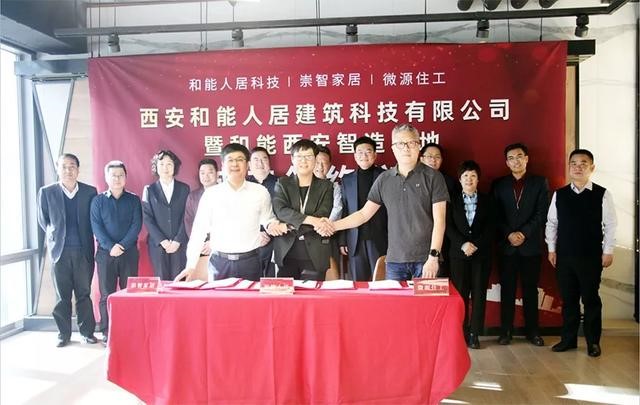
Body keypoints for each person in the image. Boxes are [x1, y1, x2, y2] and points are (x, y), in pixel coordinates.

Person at [328, 123, 449, 281]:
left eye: (411, 143)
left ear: (419, 146)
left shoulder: (434, 177)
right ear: (393, 148)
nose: (406, 148)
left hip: (425, 260)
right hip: (394, 261)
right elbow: (363, 215)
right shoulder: (384, 179)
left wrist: (433, 256)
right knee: (393, 298)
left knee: (424, 299)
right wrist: (332, 226)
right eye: (400, 144)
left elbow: (440, 221)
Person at [176, 143, 286, 282]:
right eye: (230, 160)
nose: (235, 164)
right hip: (219, 263)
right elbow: (198, 232)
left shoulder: (260, 192)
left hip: (250, 262)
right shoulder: (211, 194)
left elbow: (268, 218)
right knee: (219, 297)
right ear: (223, 165)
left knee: (251, 297)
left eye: (240, 159)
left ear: (247, 165)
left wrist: (273, 225)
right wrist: (191, 266)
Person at [546, 149, 617, 358]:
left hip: (591, 256)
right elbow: (551, 224)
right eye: (574, 163)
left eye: (583, 163)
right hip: (564, 256)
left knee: (590, 299)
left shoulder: (602, 194)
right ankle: (568, 340)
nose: (578, 167)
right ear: (569, 167)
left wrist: (608, 251)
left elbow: (611, 225)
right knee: (568, 300)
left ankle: (593, 342)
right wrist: (551, 249)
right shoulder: (560, 194)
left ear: (591, 168)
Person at [37, 153, 98, 347]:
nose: (68, 170)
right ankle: (63, 334)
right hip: (60, 252)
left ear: (78, 169)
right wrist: (56, 237)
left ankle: (87, 333)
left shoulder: (90, 192)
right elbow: (44, 221)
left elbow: (93, 219)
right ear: (57, 169)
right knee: (62, 296)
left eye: (72, 166)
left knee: (83, 294)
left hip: (83, 251)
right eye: (63, 166)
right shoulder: (47, 192)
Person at [491, 143, 548, 347]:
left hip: (530, 246)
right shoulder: (499, 184)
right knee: (507, 290)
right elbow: (495, 215)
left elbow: (542, 213)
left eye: (519, 156)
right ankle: (505, 331)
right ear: (507, 162)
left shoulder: (539, 182)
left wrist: (524, 233)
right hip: (507, 246)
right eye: (511, 158)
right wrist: (509, 234)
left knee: (530, 290)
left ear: (526, 158)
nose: (516, 161)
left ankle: (533, 332)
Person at [90, 160, 142, 343]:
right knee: (107, 294)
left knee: (129, 293)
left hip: (129, 253)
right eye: (113, 175)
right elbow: (96, 227)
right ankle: (106, 331)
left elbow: (136, 225)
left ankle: (129, 329)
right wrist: (111, 246)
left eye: (121, 175)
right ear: (106, 177)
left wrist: (122, 246)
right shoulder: (98, 201)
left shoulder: (134, 200)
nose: (117, 179)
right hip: (106, 254)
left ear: (126, 177)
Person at [446, 160, 494, 349]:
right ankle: (461, 332)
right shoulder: (451, 200)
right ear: (459, 179)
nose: (469, 179)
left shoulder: (488, 201)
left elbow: (491, 228)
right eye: (465, 175)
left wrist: (476, 245)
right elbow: (448, 226)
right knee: (460, 295)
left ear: (478, 179)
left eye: (473, 175)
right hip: (458, 255)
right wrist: (463, 244)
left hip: (481, 255)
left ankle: (474, 333)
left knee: (479, 294)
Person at [272, 140, 334, 281]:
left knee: (313, 293)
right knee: (285, 293)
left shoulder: (326, 186)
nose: (304, 161)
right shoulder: (282, 183)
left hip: (315, 253)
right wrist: (311, 220)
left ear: (315, 159)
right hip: (286, 252)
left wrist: (288, 226)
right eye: (299, 156)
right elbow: (281, 210)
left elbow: (322, 215)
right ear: (292, 159)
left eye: (308, 156)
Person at [338, 136, 388, 281]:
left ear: (375, 155)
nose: (364, 156)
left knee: (381, 282)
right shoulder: (347, 180)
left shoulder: (385, 176)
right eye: (360, 152)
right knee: (358, 283)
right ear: (355, 155)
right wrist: (343, 240)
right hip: (355, 240)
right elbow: (344, 210)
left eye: (368, 152)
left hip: (380, 238)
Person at [142, 150, 190, 280]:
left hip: (179, 244)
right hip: (158, 245)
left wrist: (177, 240)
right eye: (161, 164)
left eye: (169, 164)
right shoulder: (149, 190)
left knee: (179, 282)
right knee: (161, 282)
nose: (165, 168)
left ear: (175, 166)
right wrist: (162, 241)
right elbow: (147, 217)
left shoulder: (184, 188)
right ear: (156, 167)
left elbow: (187, 216)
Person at [420, 142, 457, 277]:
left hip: (444, 237)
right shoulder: (412, 179)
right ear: (421, 158)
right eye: (429, 156)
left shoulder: (449, 182)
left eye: (437, 157)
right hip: (418, 237)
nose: (433, 160)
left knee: (440, 277)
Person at [184, 158, 218, 280]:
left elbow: (228, 223)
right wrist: (201, 244)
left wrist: (213, 242)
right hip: (200, 250)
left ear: (217, 173)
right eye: (202, 173)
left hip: (221, 250)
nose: (206, 176)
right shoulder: (193, 196)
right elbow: (189, 222)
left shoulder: (225, 194)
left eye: (210, 172)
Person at [313, 145, 344, 279]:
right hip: (307, 239)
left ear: (330, 165)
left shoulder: (335, 186)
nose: (320, 166)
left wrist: (325, 228)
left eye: (324, 162)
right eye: (317, 162)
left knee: (331, 279)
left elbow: (338, 208)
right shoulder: (301, 185)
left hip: (329, 237)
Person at [247, 147, 277, 277]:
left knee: (272, 282)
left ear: (269, 163)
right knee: (250, 283)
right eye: (256, 160)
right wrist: (256, 233)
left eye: (264, 159)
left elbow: (284, 212)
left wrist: (269, 232)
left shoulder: (281, 183)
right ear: (249, 164)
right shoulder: (242, 185)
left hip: (275, 240)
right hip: (248, 242)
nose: (260, 163)